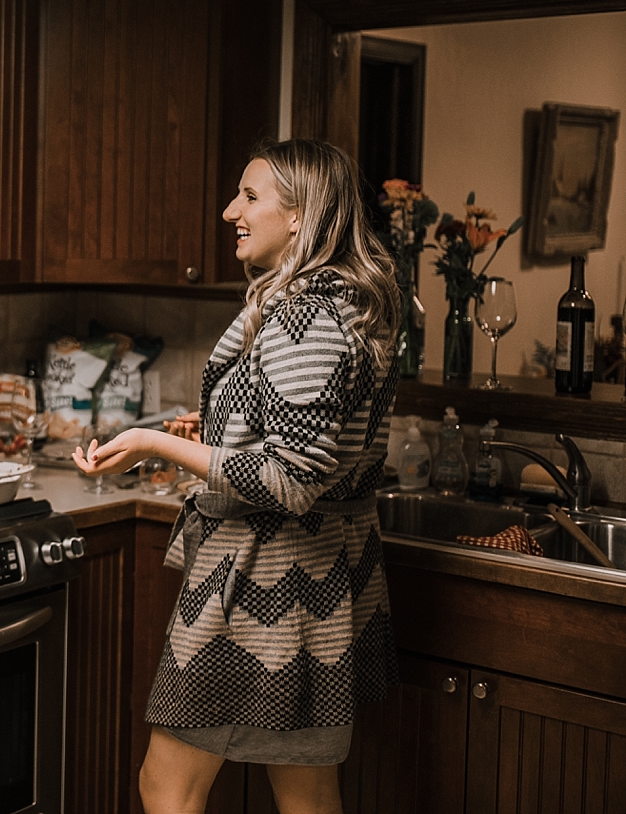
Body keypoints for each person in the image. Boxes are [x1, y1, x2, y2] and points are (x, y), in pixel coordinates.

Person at [75, 139, 400, 814]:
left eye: (250, 196)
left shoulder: (304, 316)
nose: (231, 211)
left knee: (167, 787)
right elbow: (317, 433)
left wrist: (151, 442)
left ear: (301, 215)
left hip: (264, 582)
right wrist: (223, 422)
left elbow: (289, 478)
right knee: (307, 792)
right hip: (317, 582)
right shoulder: (346, 303)